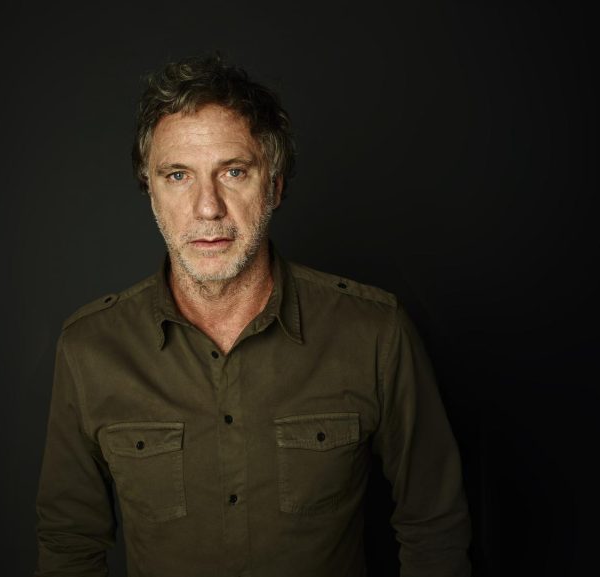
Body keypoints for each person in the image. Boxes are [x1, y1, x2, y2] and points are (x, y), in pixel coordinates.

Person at [35, 53, 471, 577]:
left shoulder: (375, 332)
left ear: (275, 185)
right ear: (150, 191)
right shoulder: (90, 349)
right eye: (178, 175)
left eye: (234, 172)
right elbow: (69, 545)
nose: (208, 207)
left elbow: (435, 529)